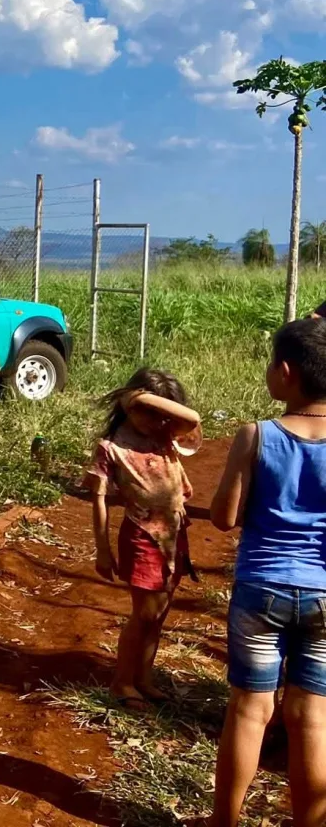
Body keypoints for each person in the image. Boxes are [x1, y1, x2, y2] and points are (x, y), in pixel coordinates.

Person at [207, 317, 326, 827]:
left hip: (262, 587)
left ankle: (223, 822)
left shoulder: (256, 435)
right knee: (312, 716)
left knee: (250, 709)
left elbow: (225, 517)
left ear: (284, 371)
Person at [86, 367, 201, 708]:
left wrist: (147, 400)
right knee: (145, 614)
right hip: (142, 537)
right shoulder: (111, 448)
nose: (156, 420)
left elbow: (192, 418)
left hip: (174, 536)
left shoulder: (166, 437)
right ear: (129, 404)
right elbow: (100, 501)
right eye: (147, 410)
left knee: (160, 613)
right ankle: (122, 682)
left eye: (162, 413)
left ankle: (143, 678)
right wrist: (103, 551)